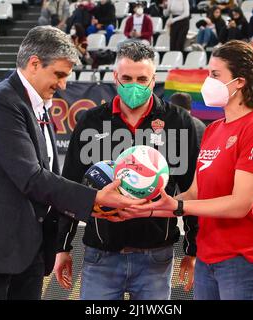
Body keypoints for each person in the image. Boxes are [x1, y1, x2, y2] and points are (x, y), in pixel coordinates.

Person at [0, 26, 144, 300]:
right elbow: (31, 177)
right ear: (34, 64)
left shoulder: (35, 105)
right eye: (59, 75)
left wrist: (93, 205)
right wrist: (94, 198)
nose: (63, 84)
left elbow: (46, 176)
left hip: (27, 249)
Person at [120, 40, 253, 300]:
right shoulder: (215, 128)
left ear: (239, 82)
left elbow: (240, 204)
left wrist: (179, 208)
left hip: (244, 260)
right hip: (209, 258)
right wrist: (152, 205)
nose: (207, 82)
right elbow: (195, 192)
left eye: (215, 75)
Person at [53, 41, 199, 300]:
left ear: (154, 80)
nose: (134, 85)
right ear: (115, 78)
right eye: (127, 78)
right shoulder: (91, 121)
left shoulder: (178, 122)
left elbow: (192, 190)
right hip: (101, 256)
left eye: (142, 78)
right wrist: (62, 247)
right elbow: (70, 186)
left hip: (157, 257)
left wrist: (192, 249)